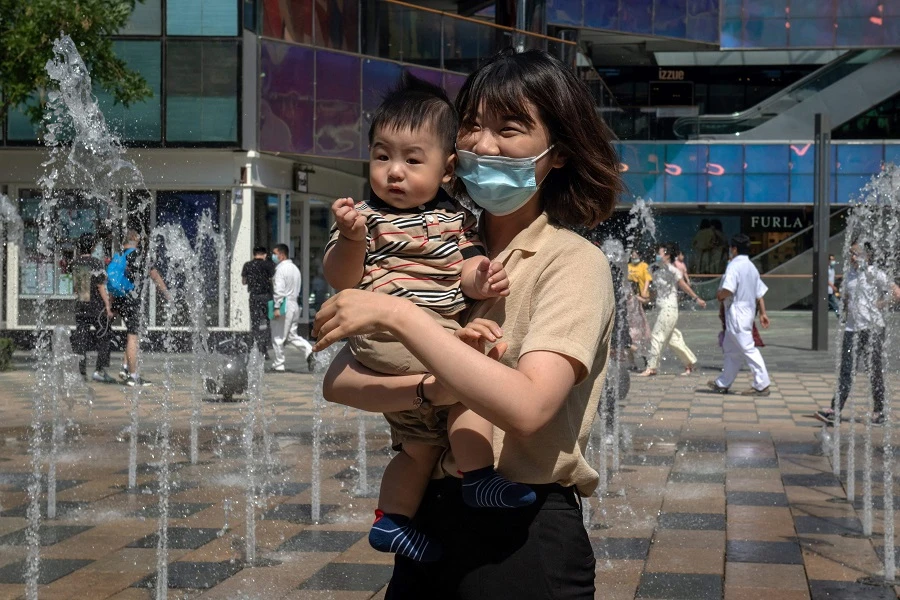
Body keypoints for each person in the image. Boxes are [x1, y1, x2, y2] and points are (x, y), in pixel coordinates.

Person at [313, 48, 620, 598]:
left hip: (520, 534)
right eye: (472, 126)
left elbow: (529, 407)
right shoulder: (422, 243)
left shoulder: (571, 262)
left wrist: (396, 313)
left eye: (508, 129)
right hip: (429, 520)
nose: (483, 144)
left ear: (558, 154)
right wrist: (434, 388)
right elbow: (340, 383)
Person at [323, 74, 531, 563]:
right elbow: (340, 278)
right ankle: (478, 479)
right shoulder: (365, 217)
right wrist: (351, 239)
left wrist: (482, 277)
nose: (394, 172)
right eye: (381, 156)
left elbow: (464, 271)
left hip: (422, 340)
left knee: (418, 446)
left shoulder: (456, 219)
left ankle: (392, 522)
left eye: (412, 160)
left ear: (447, 169)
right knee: (473, 380)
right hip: (385, 333)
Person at [815, 242, 900, 426]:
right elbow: (846, 299)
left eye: (857, 253)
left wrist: (880, 304)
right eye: (851, 253)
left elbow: (896, 293)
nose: (853, 257)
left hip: (873, 329)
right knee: (846, 370)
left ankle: (879, 412)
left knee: (874, 370)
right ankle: (835, 410)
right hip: (852, 330)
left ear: (867, 256)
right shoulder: (849, 275)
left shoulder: (874, 273)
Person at [708, 234, 771, 396]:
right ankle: (723, 382)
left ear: (734, 249)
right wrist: (763, 313)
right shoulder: (751, 267)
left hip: (737, 311)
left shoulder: (734, 266)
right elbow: (759, 293)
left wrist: (720, 295)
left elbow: (729, 289)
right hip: (748, 311)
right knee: (731, 349)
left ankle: (762, 383)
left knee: (748, 348)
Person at [108, 228, 171, 387]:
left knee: (132, 334)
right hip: (132, 300)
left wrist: (111, 305)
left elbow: (115, 281)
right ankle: (133, 376)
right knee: (133, 337)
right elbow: (155, 275)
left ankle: (125, 368)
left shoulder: (120, 255)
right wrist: (167, 295)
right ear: (135, 239)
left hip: (120, 299)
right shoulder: (138, 256)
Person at [638, 242, 706, 377]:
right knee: (673, 339)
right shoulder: (655, 270)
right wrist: (645, 299)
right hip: (661, 307)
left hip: (669, 308)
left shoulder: (673, 271)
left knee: (657, 335)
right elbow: (656, 291)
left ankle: (651, 367)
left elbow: (684, 286)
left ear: (668, 255)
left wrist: (696, 298)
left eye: (660, 253)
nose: (657, 255)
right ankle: (690, 363)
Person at [70, 233, 115, 383]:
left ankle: (81, 372)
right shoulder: (96, 263)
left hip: (82, 306)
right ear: (92, 246)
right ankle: (100, 370)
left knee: (81, 339)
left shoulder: (75, 263)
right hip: (97, 307)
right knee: (104, 336)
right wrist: (108, 306)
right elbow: (101, 286)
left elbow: (77, 288)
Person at [269, 243, 314, 372]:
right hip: (294, 303)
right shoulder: (295, 269)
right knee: (291, 335)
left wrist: (277, 307)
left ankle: (279, 364)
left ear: (282, 255)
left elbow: (279, 290)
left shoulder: (280, 270)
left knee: (278, 336)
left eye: (275, 253)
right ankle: (309, 350)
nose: (273, 256)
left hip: (284, 304)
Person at [241, 246, 275, 360]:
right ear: (264, 254)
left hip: (254, 296)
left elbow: (244, 282)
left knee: (255, 323)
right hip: (267, 297)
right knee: (268, 322)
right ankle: (265, 350)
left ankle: (254, 348)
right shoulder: (268, 265)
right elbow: (273, 279)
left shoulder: (248, 265)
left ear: (253, 254)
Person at [626, 248, 652, 368]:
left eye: (636, 254)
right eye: (632, 254)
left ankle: (645, 357)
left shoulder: (644, 266)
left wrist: (644, 293)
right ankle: (632, 364)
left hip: (640, 298)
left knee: (636, 339)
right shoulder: (628, 266)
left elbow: (647, 280)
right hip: (630, 317)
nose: (633, 256)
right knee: (628, 338)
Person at [827, 253, 841, 318]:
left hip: (830, 290)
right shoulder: (826, 269)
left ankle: (838, 314)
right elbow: (825, 279)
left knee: (833, 304)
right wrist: (833, 286)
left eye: (833, 259)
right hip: (827, 290)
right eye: (831, 259)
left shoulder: (832, 269)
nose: (833, 261)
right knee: (835, 304)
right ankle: (838, 315)